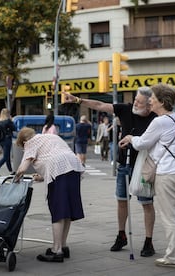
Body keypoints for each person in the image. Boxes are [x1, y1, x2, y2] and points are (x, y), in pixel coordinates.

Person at [63, 87, 157, 257]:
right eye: (135, 99)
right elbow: (100, 105)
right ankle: (121, 235)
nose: (135, 103)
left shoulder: (155, 118)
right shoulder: (126, 109)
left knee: (146, 203)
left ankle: (148, 241)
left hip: (144, 167)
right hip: (124, 164)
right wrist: (78, 100)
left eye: (139, 102)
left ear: (149, 105)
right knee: (122, 200)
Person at [119, 83, 175, 268]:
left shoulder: (159, 121)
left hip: (167, 173)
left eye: (153, 98)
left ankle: (174, 258)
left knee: (170, 217)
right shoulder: (173, 117)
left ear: (161, 101)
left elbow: (142, 143)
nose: (150, 100)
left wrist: (130, 138)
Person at [14, 127, 85, 262]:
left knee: (58, 210)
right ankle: (63, 246)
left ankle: (56, 250)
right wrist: (41, 177)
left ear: (24, 141)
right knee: (67, 209)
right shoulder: (51, 137)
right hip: (74, 167)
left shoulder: (30, 142)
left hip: (59, 170)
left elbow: (23, 167)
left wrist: (16, 178)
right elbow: (56, 155)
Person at [0, 108, 16, 176]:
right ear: (7, 114)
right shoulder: (8, 121)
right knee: (5, 157)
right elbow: (14, 128)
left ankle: (11, 171)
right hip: (7, 140)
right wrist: (11, 120)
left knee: (7, 156)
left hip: (1, 140)